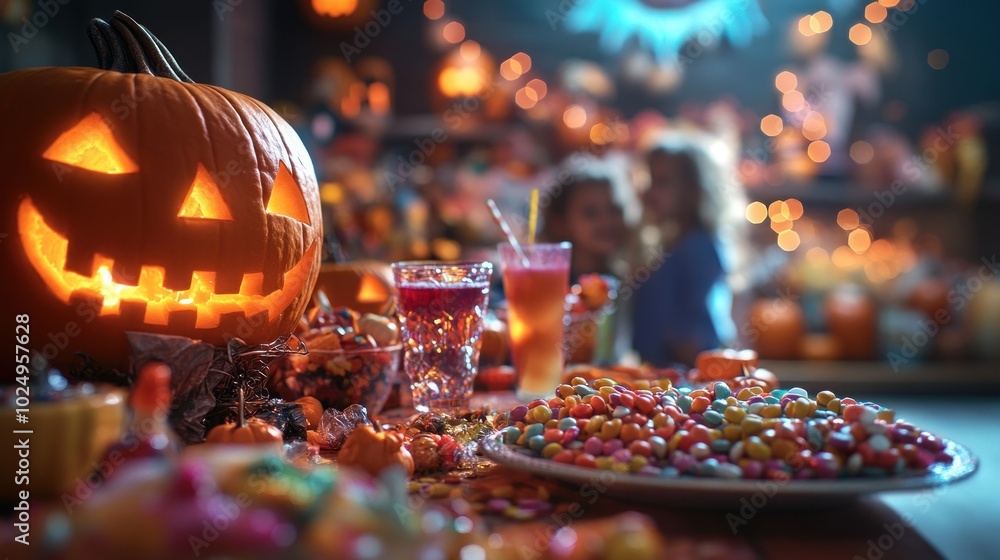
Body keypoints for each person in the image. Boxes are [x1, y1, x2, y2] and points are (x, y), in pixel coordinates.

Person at [630, 133, 747, 367]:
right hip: (661, 373)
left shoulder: (699, 246)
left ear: (693, 191)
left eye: (662, 182)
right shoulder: (670, 243)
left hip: (687, 376)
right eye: (650, 181)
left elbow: (694, 330)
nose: (650, 192)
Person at [540, 170, 627, 283]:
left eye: (614, 209)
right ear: (560, 224)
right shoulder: (548, 287)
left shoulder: (628, 281)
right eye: (590, 213)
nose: (606, 221)